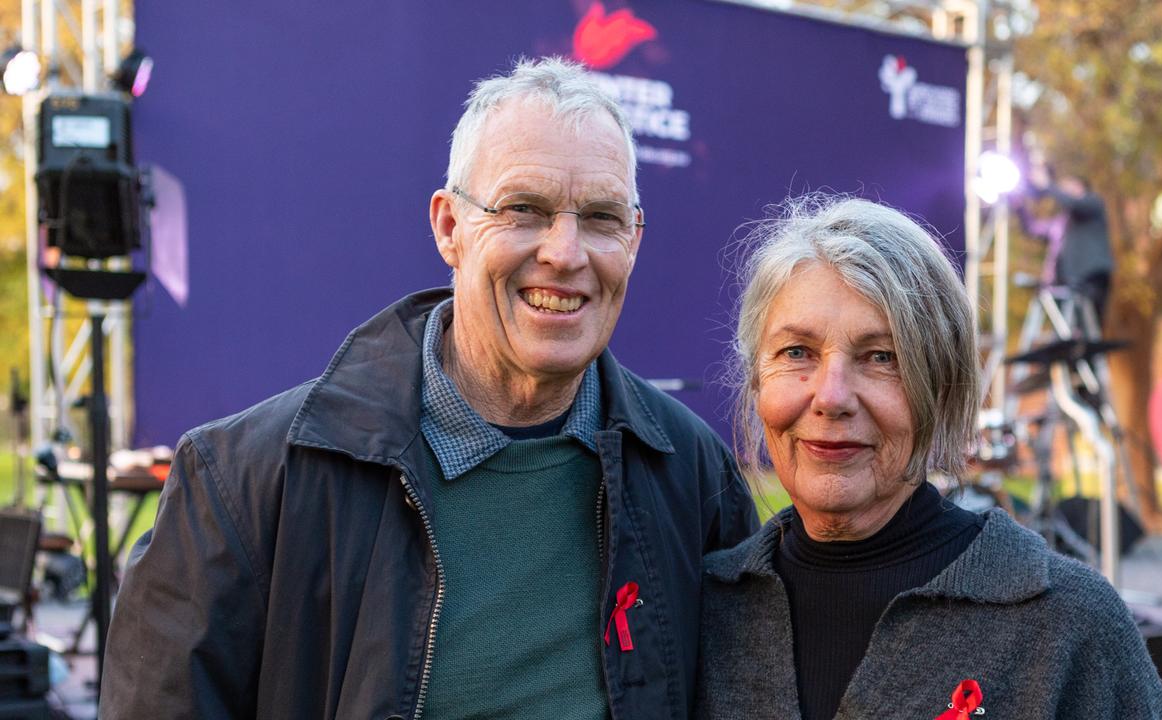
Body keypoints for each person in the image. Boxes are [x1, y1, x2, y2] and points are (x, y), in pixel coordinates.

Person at [100, 57, 759, 720]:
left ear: (634, 240)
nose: (565, 253)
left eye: (601, 217)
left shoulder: (695, 476)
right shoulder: (242, 484)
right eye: (523, 209)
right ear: (449, 228)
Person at [696, 195, 1162, 719]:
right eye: (796, 353)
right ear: (756, 381)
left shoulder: (1068, 622)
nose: (831, 397)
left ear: (942, 388)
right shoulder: (700, 608)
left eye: (882, 357)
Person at [1019, 162, 1114, 327]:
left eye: (1065, 186)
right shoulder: (1062, 222)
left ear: (1079, 186)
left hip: (1091, 279)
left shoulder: (1093, 203)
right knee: (1067, 330)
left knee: (1088, 328)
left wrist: (1047, 185)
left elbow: (1072, 203)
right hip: (1067, 283)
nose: (1061, 190)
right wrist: (1019, 206)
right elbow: (1033, 228)